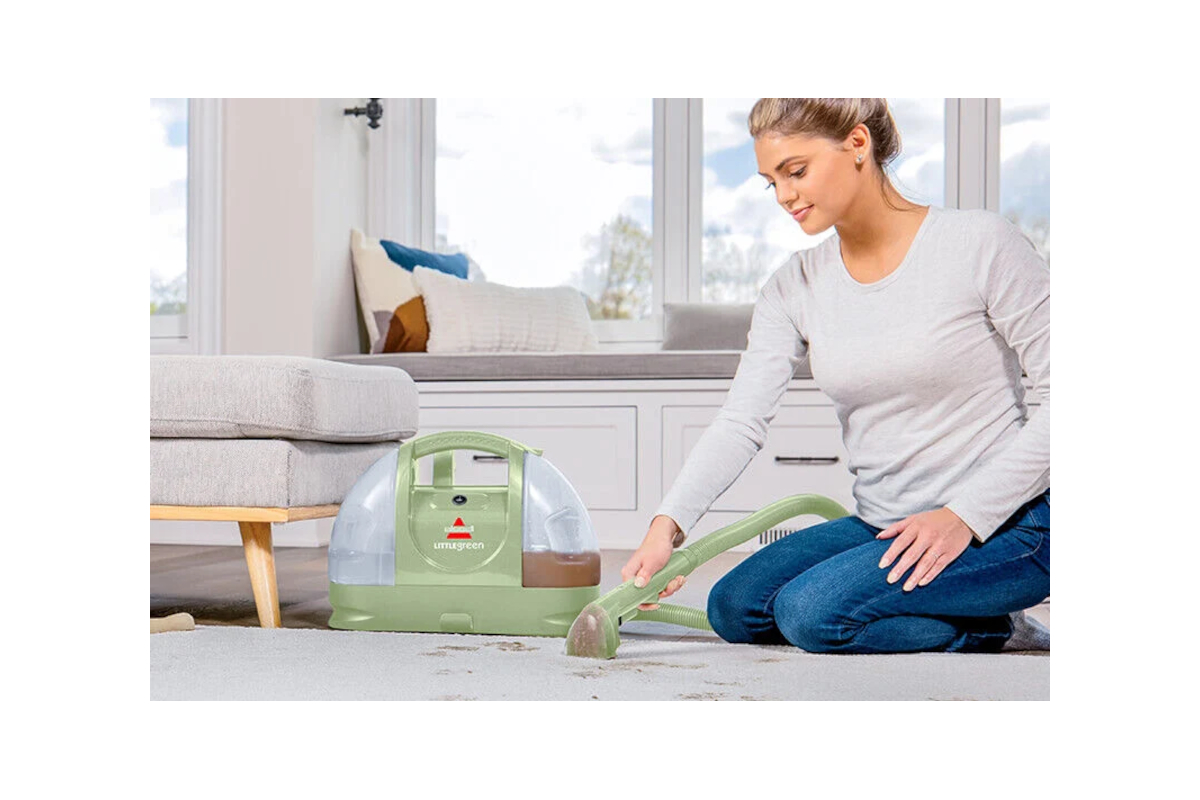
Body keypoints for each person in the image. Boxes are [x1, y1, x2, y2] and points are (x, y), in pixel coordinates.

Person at [621, 98, 1050, 654]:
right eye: (770, 181)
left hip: (1013, 522)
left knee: (812, 615)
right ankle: (959, 608)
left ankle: (995, 624)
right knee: (734, 607)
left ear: (857, 144)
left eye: (795, 171)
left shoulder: (980, 244)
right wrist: (666, 529)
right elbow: (740, 421)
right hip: (886, 523)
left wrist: (962, 516)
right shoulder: (794, 285)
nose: (783, 196)